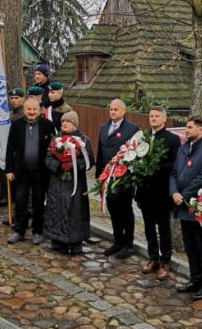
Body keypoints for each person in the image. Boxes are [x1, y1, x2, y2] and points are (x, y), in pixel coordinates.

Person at [169, 116, 202, 301]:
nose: (186, 130)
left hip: (197, 207)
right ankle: (194, 279)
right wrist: (174, 191)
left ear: (201, 130)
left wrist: (183, 195)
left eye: (190, 127)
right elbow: (174, 173)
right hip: (181, 204)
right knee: (189, 245)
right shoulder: (184, 149)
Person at [137, 106, 180, 280]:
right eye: (151, 116)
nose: (153, 119)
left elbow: (175, 165)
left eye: (157, 116)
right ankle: (153, 258)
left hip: (162, 192)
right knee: (148, 227)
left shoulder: (172, 139)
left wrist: (155, 167)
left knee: (163, 229)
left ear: (164, 119)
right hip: (145, 190)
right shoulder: (144, 137)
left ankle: (165, 262)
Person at [6, 97, 56, 244]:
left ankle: (38, 231)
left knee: (38, 202)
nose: (32, 112)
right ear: (24, 110)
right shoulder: (15, 125)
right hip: (22, 171)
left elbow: (53, 149)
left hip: (41, 171)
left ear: (39, 110)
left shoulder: (48, 125)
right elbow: (10, 148)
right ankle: (19, 231)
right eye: (29, 109)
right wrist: (9, 169)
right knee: (20, 200)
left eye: (34, 109)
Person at [95, 99, 141, 258]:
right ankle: (117, 240)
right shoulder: (104, 127)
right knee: (113, 209)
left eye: (116, 109)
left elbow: (136, 154)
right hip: (107, 176)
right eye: (111, 109)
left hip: (124, 178)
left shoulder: (133, 129)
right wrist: (99, 175)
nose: (112, 112)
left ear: (123, 111)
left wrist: (131, 176)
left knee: (125, 210)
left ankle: (128, 244)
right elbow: (100, 151)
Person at [44, 110, 94, 255]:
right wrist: (59, 166)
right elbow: (48, 158)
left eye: (68, 121)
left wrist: (73, 165)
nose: (64, 124)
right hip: (57, 182)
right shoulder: (56, 139)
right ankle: (57, 240)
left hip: (75, 183)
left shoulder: (84, 140)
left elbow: (89, 161)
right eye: (63, 121)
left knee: (76, 212)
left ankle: (76, 242)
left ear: (75, 124)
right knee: (56, 210)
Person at [0, 87, 26, 210]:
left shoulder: (24, 115)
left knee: (13, 174)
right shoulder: (9, 114)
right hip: (5, 147)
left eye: (17, 98)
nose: (14, 101)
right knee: (3, 171)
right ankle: (4, 194)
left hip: (17, 149)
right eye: (11, 98)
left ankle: (12, 197)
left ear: (23, 99)